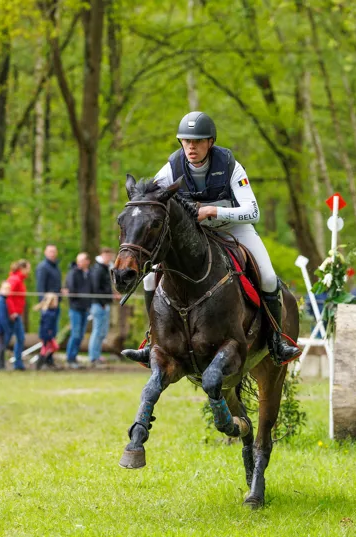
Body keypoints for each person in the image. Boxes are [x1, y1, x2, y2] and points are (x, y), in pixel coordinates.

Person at [131, 111, 300, 365]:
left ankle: (277, 340)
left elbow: (253, 211)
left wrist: (214, 211)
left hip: (234, 228)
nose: (191, 147)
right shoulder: (172, 167)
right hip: (196, 235)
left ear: (210, 142)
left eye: (197, 141)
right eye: (186, 141)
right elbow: (153, 200)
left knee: (266, 277)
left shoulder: (229, 165)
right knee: (148, 281)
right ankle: (154, 339)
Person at [64, 252, 92, 369]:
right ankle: (69, 358)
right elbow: (71, 290)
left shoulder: (88, 274)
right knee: (75, 334)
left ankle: (74, 357)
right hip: (75, 308)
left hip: (85, 308)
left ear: (87, 261)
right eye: (79, 260)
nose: (80, 263)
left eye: (82, 260)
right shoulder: (73, 273)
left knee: (80, 335)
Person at [35, 245, 62, 367]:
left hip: (56, 304)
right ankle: (42, 360)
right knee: (47, 334)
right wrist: (44, 303)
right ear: (45, 252)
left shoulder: (56, 267)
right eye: (50, 251)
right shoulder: (43, 267)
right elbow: (40, 286)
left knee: (53, 332)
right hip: (47, 305)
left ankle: (49, 359)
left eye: (54, 251)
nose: (52, 253)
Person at [88, 247, 114, 367]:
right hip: (99, 305)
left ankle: (97, 355)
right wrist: (102, 302)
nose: (109, 258)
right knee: (97, 331)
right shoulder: (98, 269)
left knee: (102, 332)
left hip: (104, 304)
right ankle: (93, 357)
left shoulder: (106, 268)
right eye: (107, 255)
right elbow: (95, 288)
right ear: (102, 255)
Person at [6, 260, 31, 371]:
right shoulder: (14, 280)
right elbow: (8, 296)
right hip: (13, 315)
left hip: (17, 314)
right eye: (28, 268)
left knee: (20, 338)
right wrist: (12, 312)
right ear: (23, 268)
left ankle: (18, 363)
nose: (29, 271)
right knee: (7, 339)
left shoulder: (19, 280)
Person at [34, 292, 60, 370]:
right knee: (45, 349)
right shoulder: (47, 313)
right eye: (55, 300)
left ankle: (45, 361)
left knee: (53, 348)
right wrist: (48, 335)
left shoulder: (52, 311)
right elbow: (46, 326)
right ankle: (40, 364)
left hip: (49, 334)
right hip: (46, 335)